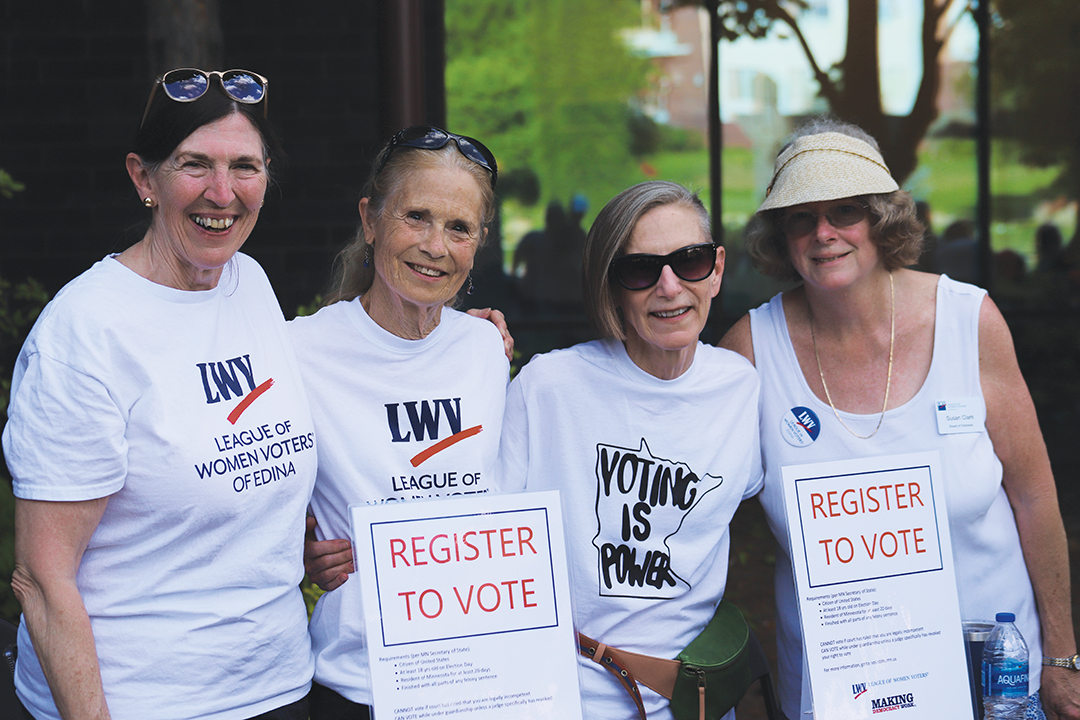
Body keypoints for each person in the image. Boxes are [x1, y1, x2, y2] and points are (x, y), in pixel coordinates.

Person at [720, 118, 1080, 720]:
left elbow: (1036, 497)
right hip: (843, 684)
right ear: (781, 236)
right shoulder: (751, 349)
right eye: (801, 217)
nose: (824, 233)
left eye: (846, 211)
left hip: (993, 677)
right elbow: (695, 504)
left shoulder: (969, 321)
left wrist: (1063, 656)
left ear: (882, 218)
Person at [5, 69, 316, 720]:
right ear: (145, 179)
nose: (223, 193)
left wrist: (450, 335)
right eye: (194, 165)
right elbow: (41, 577)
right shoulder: (85, 332)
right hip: (140, 700)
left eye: (245, 166)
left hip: (277, 686)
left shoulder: (249, 282)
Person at [497, 181, 763, 719]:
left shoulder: (742, 386)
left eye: (688, 261)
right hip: (564, 698)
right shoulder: (549, 386)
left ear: (716, 269)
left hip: (694, 699)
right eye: (640, 269)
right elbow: (481, 537)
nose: (669, 287)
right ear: (611, 285)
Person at [289, 125, 509, 720]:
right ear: (370, 220)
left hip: (483, 681)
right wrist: (299, 548)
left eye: (459, 227)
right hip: (360, 686)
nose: (435, 246)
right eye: (416, 216)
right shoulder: (296, 353)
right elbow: (247, 488)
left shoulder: (487, 349)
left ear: (479, 241)